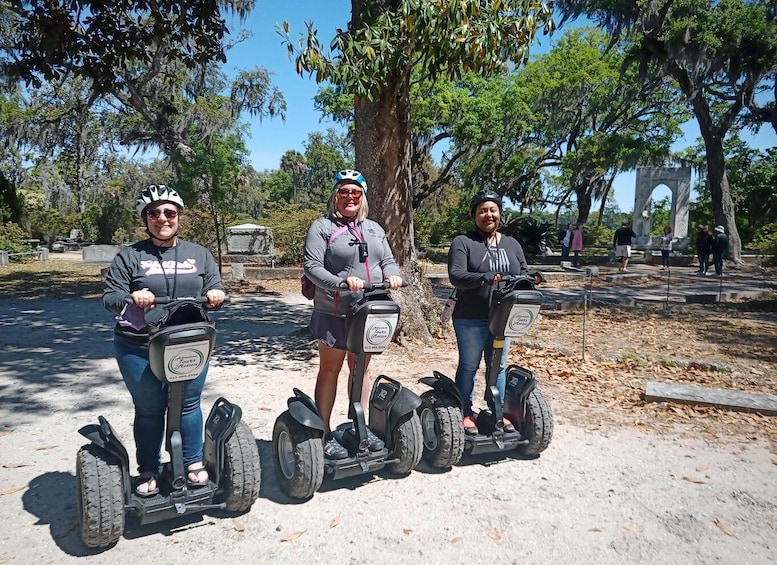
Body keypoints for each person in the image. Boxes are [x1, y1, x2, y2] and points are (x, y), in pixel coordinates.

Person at [103, 184, 226, 496]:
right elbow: (110, 296)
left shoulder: (198, 254)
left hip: (188, 341)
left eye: (169, 212)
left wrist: (216, 293)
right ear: (145, 219)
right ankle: (148, 468)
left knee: (188, 404)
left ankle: (193, 462)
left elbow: (214, 282)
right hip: (139, 345)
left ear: (179, 216)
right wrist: (133, 296)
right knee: (149, 408)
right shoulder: (130, 256)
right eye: (153, 213)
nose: (162, 218)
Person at [303, 169, 403, 459]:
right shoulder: (322, 227)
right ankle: (323, 431)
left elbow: (386, 259)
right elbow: (312, 265)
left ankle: (361, 426)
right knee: (330, 369)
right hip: (334, 310)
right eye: (344, 192)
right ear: (335, 196)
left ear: (363, 197)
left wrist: (393, 275)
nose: (349, 197)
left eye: (355, 192)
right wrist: (341, 283)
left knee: (362, 369)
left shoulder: (373, 228)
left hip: (368, 310)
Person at [447, 190, 537, 436]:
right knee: (469, 365)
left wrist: (533, 278)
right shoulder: (464, 242)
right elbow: (456, 276)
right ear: (474, 215)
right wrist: (484, 278)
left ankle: (496, 410)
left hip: (503, 317)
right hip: (470, 316)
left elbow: (523, 272)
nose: (488, 215)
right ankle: (465, 411)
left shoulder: (511, 244)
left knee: (498, 366)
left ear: (499, 213)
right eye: (482, 211)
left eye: (492, 210)